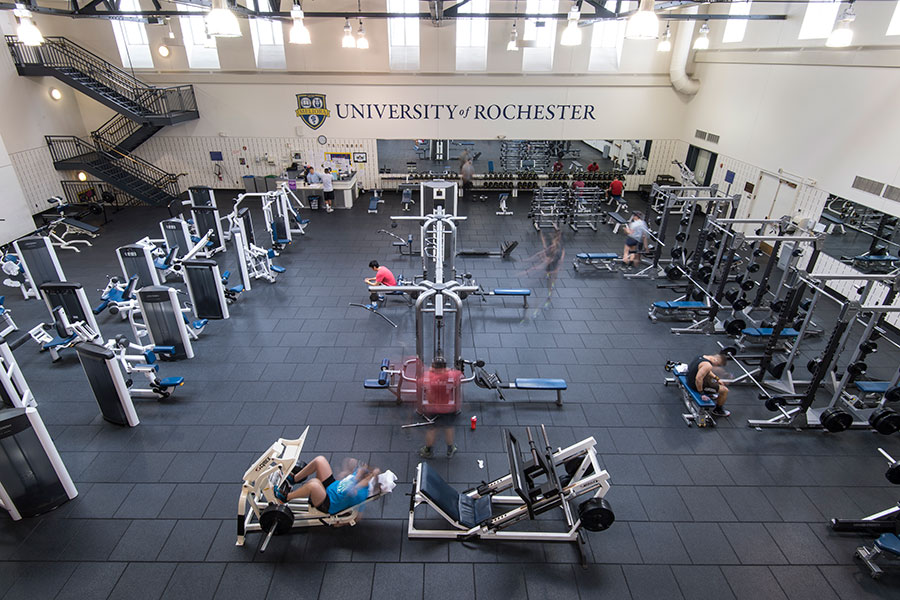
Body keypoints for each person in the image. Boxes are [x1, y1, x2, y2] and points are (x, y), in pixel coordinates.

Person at [275, 455, 384, 515]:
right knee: (320, 460)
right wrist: (347, 472)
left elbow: (351, 492)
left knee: (314, 484)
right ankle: (294, 479)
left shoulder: (361, 493)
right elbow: (350, 463)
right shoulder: (361, 474)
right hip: (331, 486)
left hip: (327, 502)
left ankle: (286, 498)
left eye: (370, 475)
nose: (368, 472)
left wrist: (342, 523)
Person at [685, 353, 731, 417]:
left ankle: (710, 392)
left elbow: (707, 371)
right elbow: (698, 379)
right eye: (718, 365)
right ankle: (718, 410)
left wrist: (717, 379)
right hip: (694, 385)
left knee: (712, 380)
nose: (717, 366)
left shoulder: (701, 356)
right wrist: (702, 393)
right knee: (725, 390)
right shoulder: (707, 365)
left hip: (688, 379)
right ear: (716, 360)